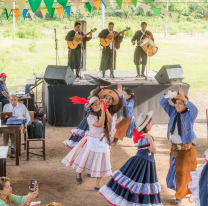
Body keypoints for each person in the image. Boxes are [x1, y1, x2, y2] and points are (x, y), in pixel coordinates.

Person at [99, 111, 163, 206]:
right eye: (150, 124)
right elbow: (154, 151)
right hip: (144, 163)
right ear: (146, 125)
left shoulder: (140, 135)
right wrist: (150, 138)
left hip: (140, 162)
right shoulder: (146, 137)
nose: (151, 126)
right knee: (141, 183)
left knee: (136, 183)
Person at [62, 96, 113, 190]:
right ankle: (79, 173)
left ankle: (98, 184)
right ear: (92, 107)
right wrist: (103, 112)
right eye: (95, 105)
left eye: (99, 104)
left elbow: (110, 120)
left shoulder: (103, 112)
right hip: (92, 140)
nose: (98, 106)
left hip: (103, 140)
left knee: (101, 161)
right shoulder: (90, 117)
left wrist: (105, 110)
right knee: (84, 158)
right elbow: (101, 124)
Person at [160, 87, 198, 204]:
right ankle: (180, 190)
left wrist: (185, 99)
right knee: (175, 171)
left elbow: (195, 110)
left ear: (185, 105)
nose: (177, 105)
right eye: (176, 103)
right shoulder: (172, 112)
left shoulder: (189, 115)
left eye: (180, 103)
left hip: (185, 150)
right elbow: (162, 102)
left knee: (183, 172)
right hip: (174, 149)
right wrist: (167, 94)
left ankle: (179, 196)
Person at [3, 92, 31, 158]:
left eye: (15, 99)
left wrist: (26, 127)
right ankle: (5, 149)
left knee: (13, 131)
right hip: (8, 125)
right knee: (5, 132)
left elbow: (28, 117)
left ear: (17, 100)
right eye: (11, 100)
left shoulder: (22, 106)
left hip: (19, 125)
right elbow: (3, 118)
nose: (13, 101)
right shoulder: (6, 106)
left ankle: (13, 149)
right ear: (9, 100)